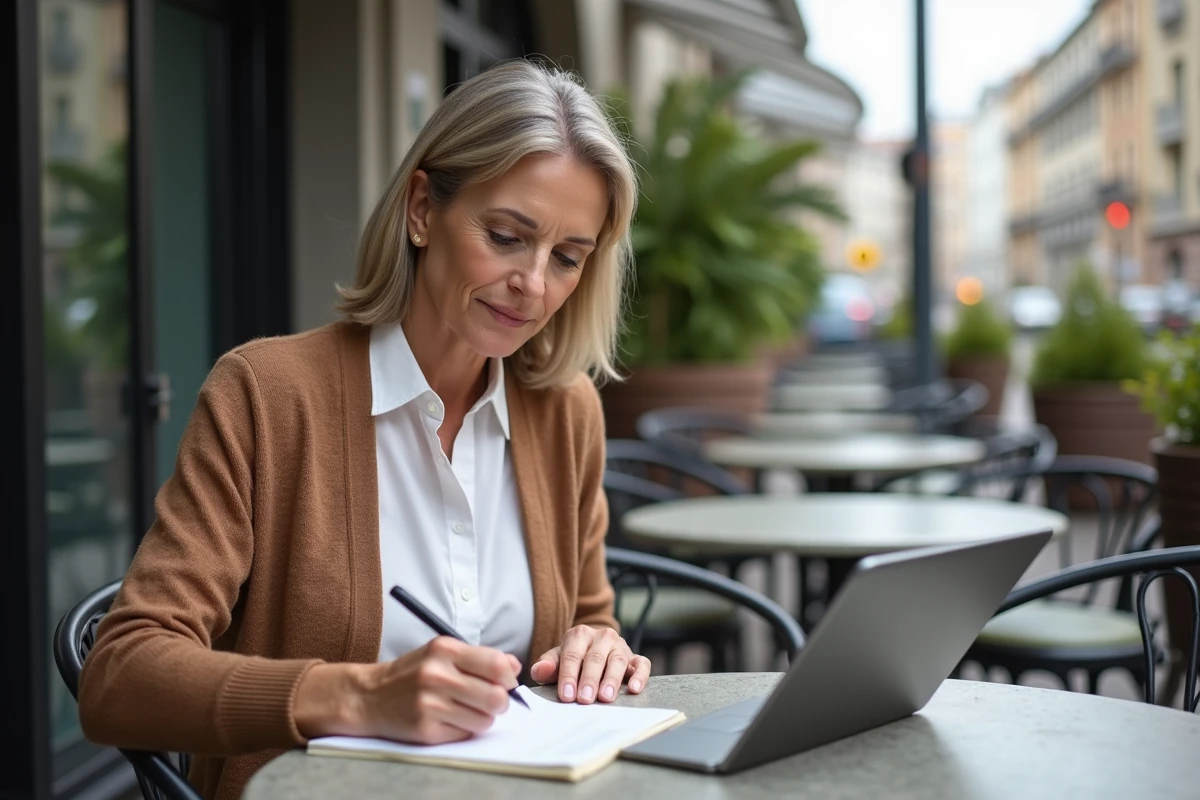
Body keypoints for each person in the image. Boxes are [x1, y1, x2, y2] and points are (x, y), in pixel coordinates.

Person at [77, 59, 650, 800]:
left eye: (568, 258)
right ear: (421, 210)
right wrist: (358, 697)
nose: (535, 285)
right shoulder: (269, 396)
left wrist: (596, 647)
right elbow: (121, 676)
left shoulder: (564, 409)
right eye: (507, 236)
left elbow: (589, 615)